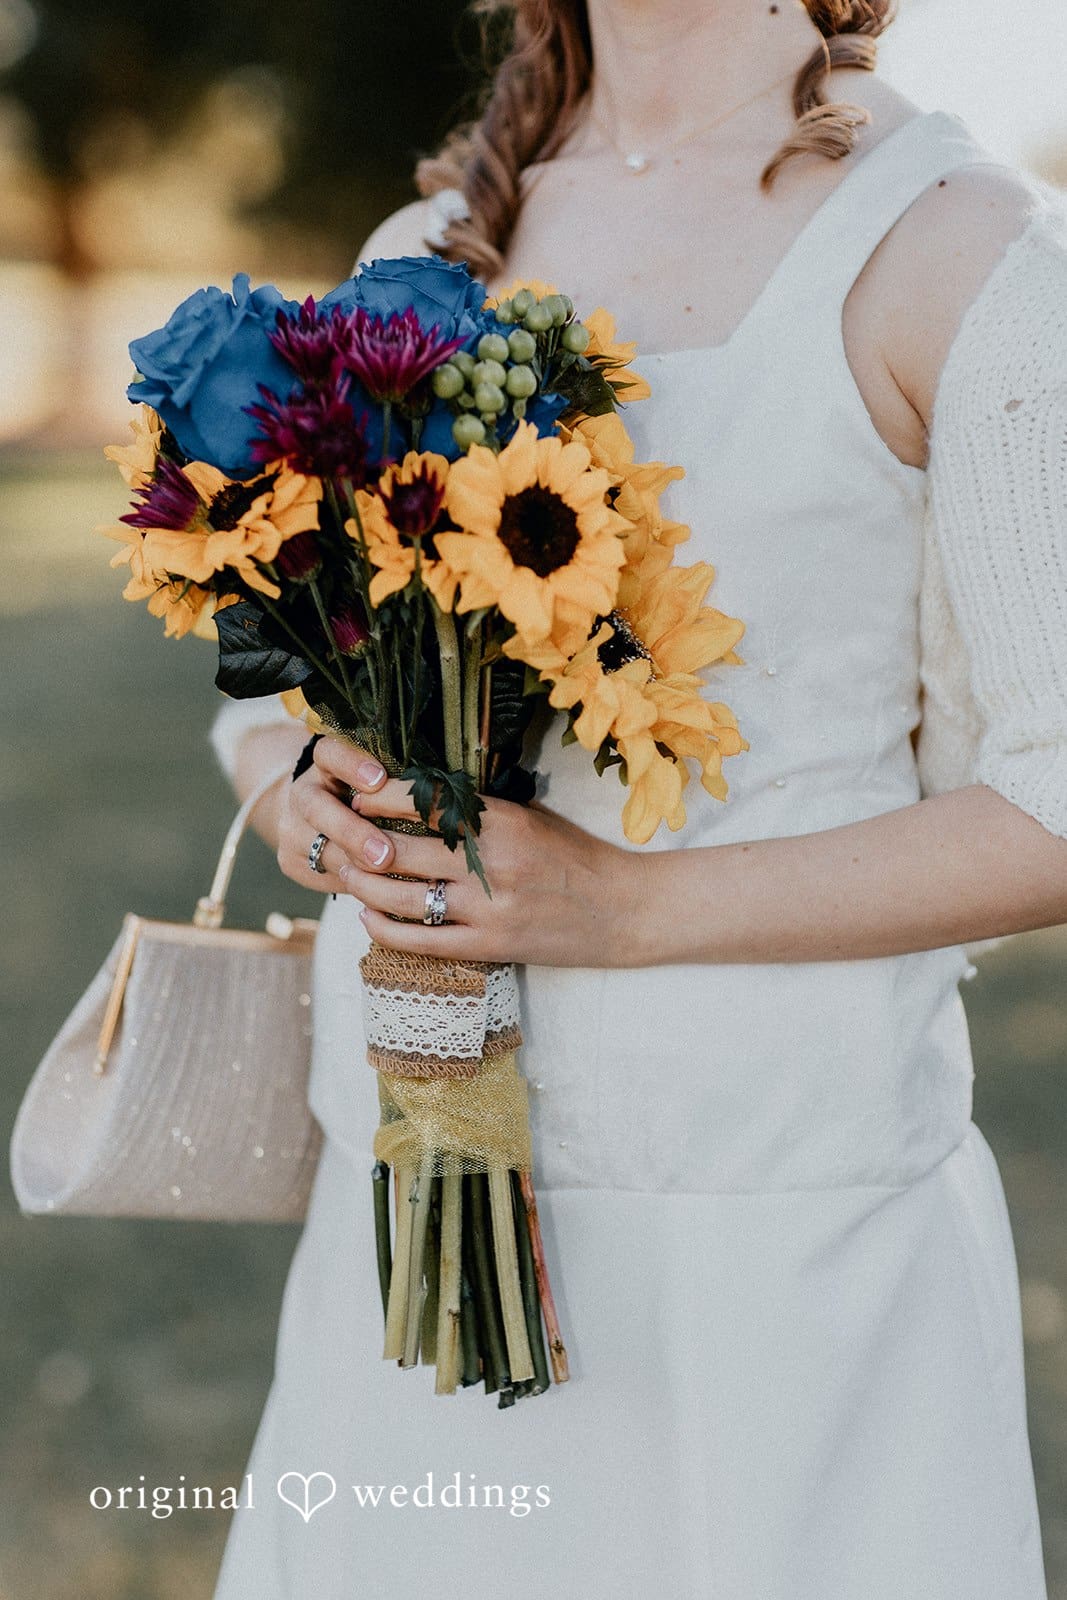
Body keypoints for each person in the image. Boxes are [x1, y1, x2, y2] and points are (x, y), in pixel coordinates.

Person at [210, 1, 1067, 1594]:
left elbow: (1058, 798)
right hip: (409, 1219)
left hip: (775, 1245)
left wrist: (626, 906)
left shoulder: (959, 248)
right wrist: (312, 803)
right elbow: (267, 706)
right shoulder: (424, 254)